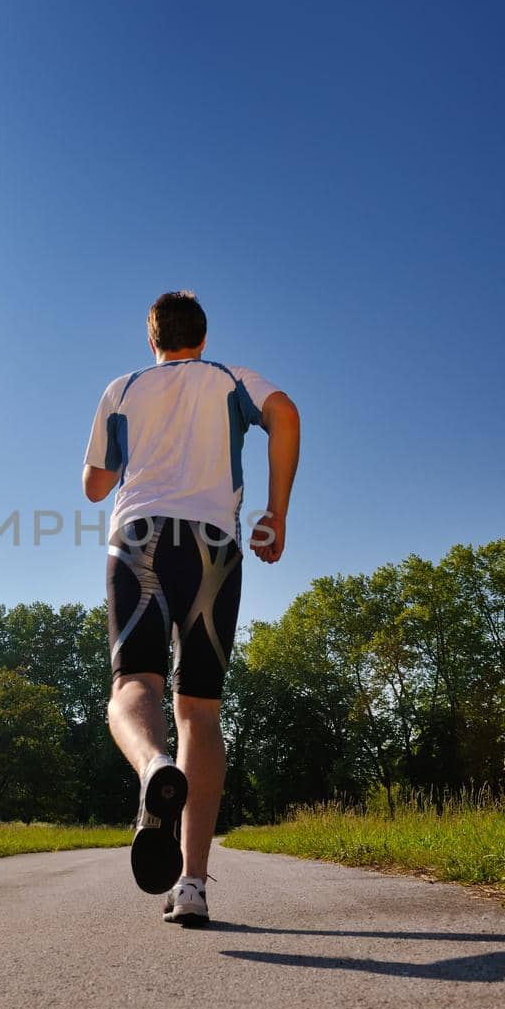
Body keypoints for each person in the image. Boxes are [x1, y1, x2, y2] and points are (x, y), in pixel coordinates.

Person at [81, 291, 299, 927]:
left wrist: (122, 449)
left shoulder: (122, 388)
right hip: (213, 545)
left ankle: (154, 765)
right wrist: (276, 512)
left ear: (153, 340)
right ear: (201, 339)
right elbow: (284, 413)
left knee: (132, 688)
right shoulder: (233, 378)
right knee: (199, 709)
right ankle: (193, 884)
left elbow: (95, 485)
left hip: (139, 536)